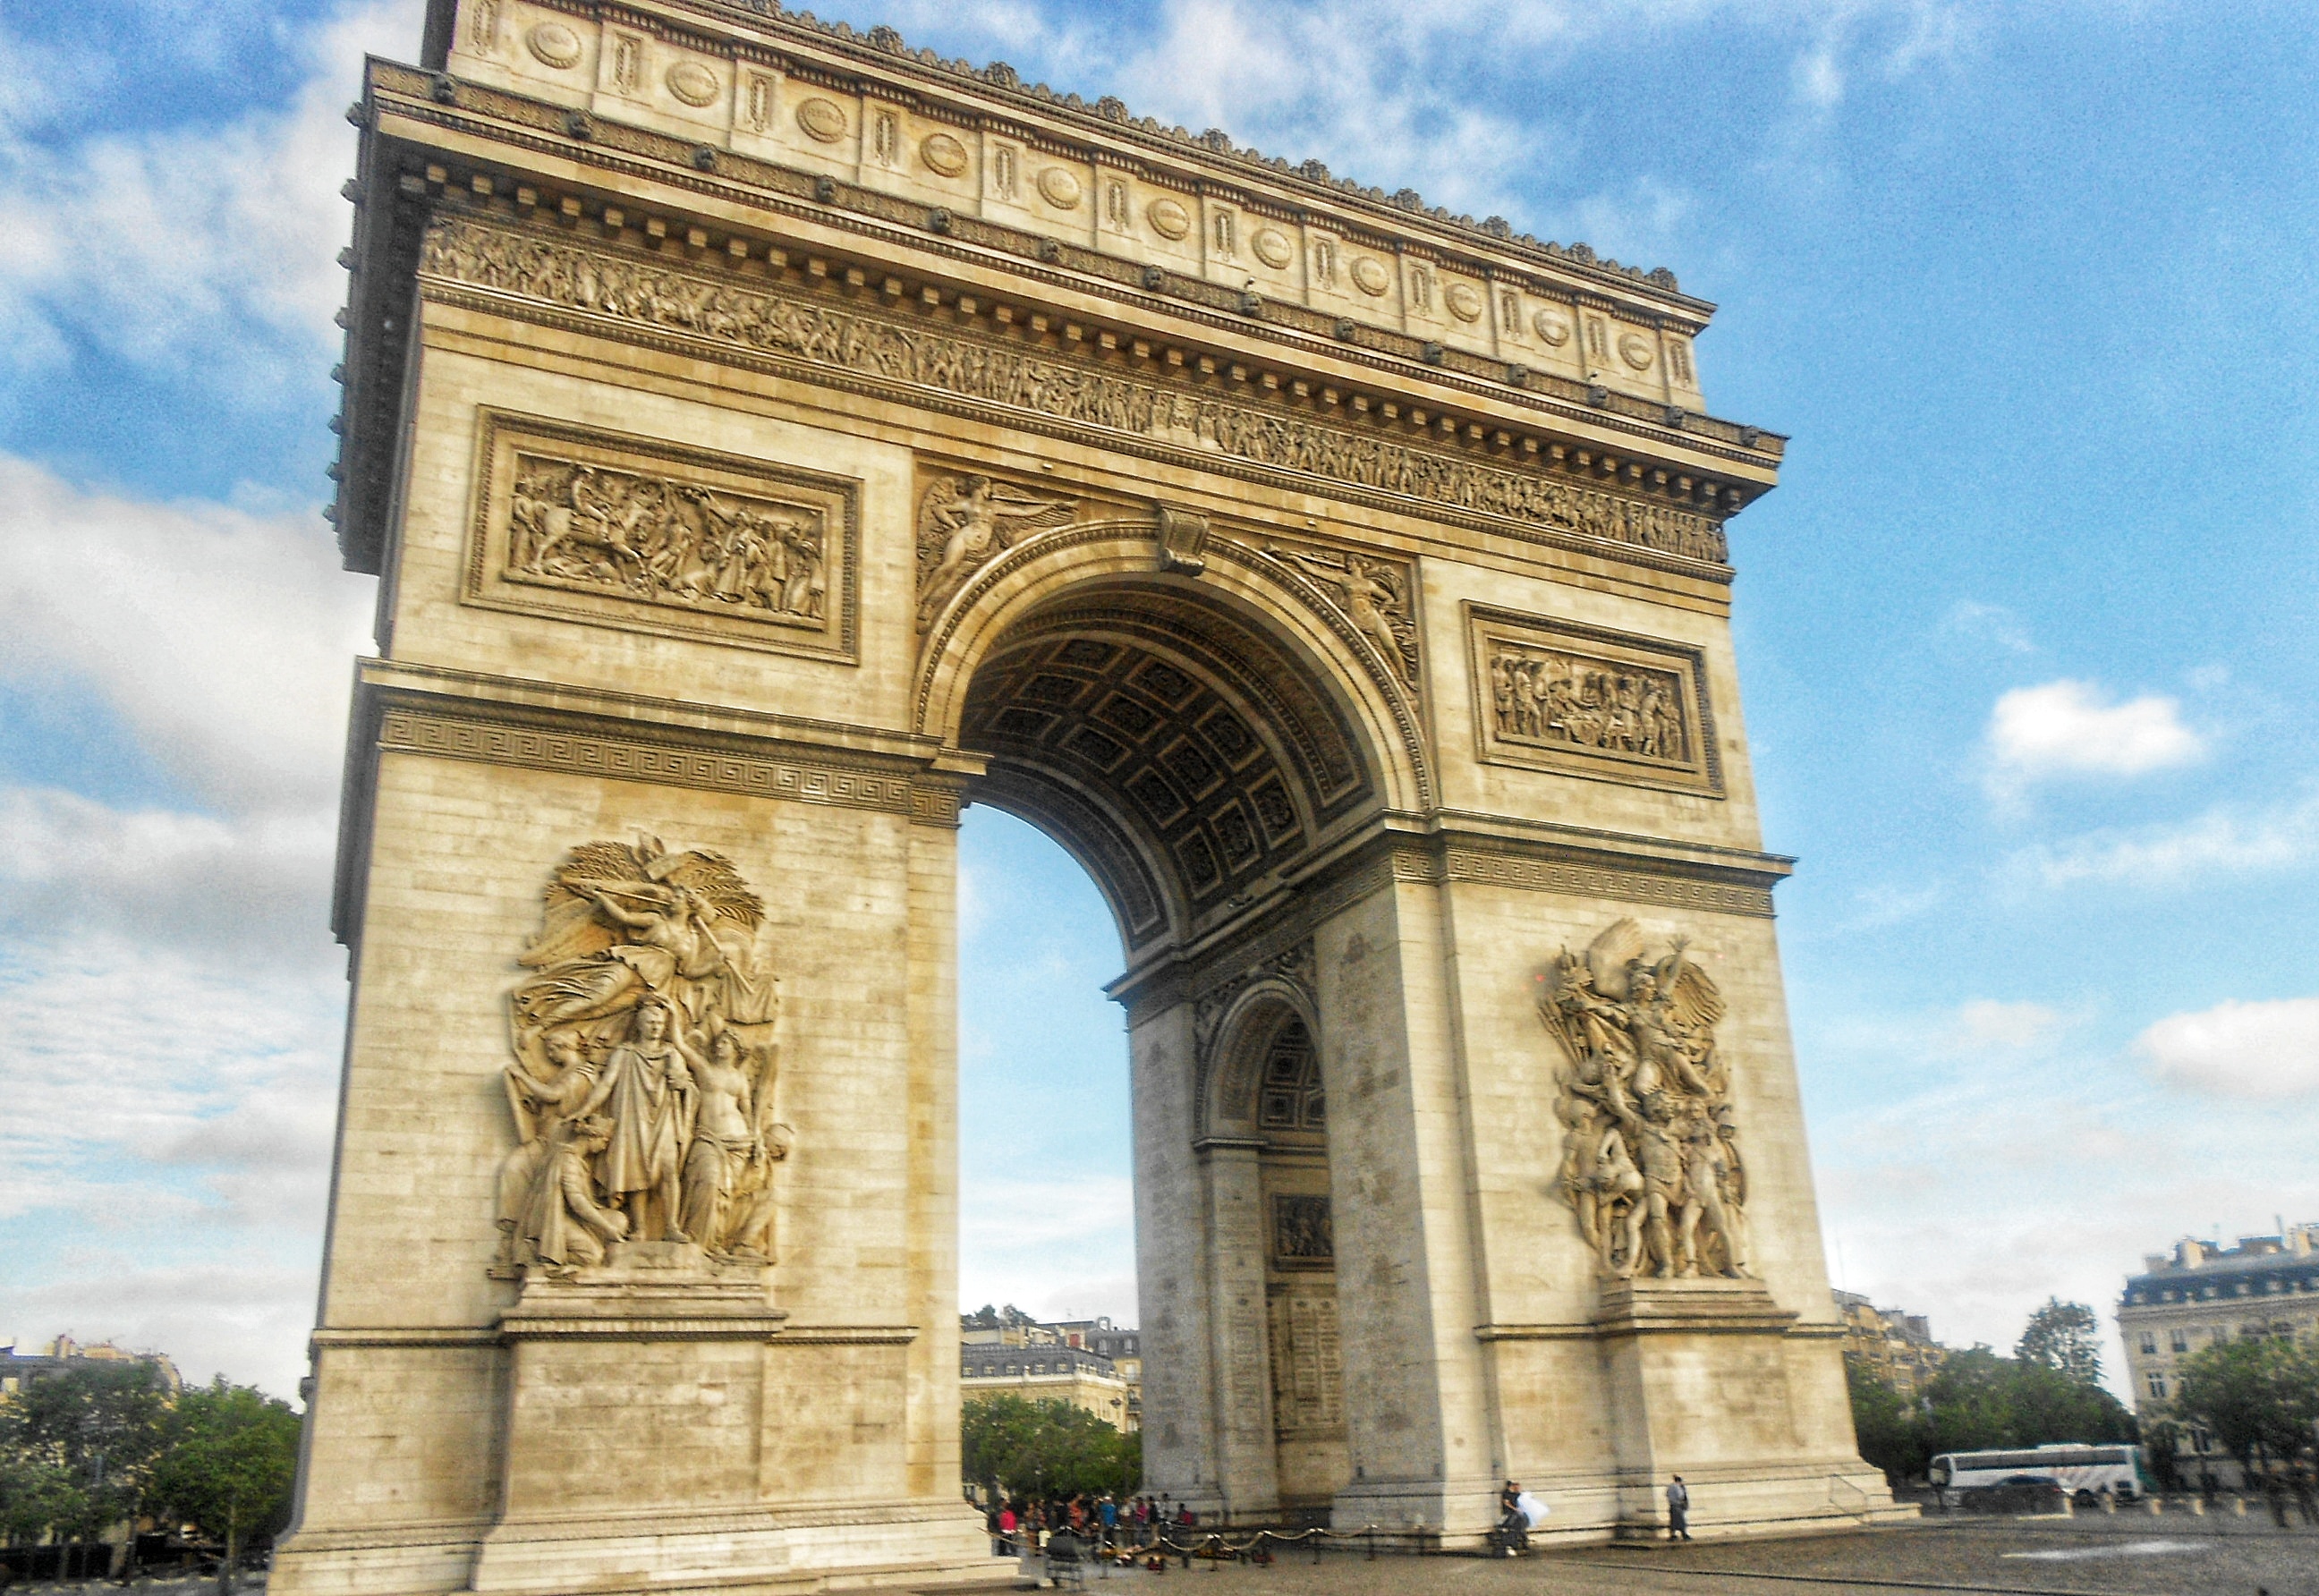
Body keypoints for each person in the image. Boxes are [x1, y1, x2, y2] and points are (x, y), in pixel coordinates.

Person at [1666, 1475, 1692, 1541]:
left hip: (1672, 1505)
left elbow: (1667, 1494)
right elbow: (1680, 1496)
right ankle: (1684, 1534)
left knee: (1673, 1521)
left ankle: (1673, 1535)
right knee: (1681, 1521)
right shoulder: (1677, 1487)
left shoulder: (1670, 1486)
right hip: (1678, 1506)